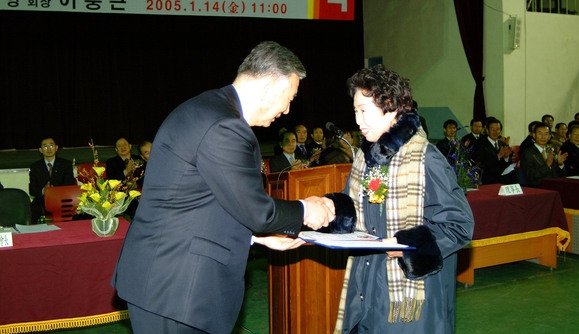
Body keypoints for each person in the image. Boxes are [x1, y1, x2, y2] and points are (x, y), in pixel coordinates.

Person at [112, 41, 335, 334]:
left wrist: (256, 239)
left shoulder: (208, 108)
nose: (287, 110)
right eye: (289, 97)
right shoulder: (224, 125)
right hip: (175, 291)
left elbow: (203, 204)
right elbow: (257, 211)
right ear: (269, 83)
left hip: (165, 281)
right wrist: (307, 209)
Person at [334, 65, 474, 334]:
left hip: (411, 302)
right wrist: (332, 209)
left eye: (364, 111)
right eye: (355, 111)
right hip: (366, 287)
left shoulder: (426, 158)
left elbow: (459, 225)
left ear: (390, 106)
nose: (358, 121)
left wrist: (409, 246)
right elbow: (356, 210)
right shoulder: (367, 157)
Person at [28, 137, 76, 223]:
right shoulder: (35, 167)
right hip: (42, 201)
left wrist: (54, 191)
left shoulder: (66, 164)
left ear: (56, 148)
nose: (49, 149)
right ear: (40, 150)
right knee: (30, 211)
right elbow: (32, 189)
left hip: (62, 200)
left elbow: (69, 184)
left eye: (51, 145)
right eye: (45, 146)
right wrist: (44, 190)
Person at [519, 122, 567, 187]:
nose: (543, 137)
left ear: (550, 136)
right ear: (533, 135)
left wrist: (560, 165)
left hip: (554, 185)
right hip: (538, 187)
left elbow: (560, 175)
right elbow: (531, 176)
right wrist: (547, 165)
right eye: (540, 133)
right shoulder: (528, 153)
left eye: (546, 134)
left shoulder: (551, 150)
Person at [474, 118, 517, 185]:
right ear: (487, 131)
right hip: (488, 178)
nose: (495, 132)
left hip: (502, 176)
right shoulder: (480, 144)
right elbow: (481, 164)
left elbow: (508, 163)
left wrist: (506, 158)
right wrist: (498, 156)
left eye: (498, 129)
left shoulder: (502, 144)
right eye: (493, 129)